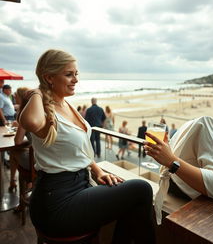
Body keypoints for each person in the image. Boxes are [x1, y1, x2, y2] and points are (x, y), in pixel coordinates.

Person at [19, 49, 155, 243]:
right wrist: (37, 91)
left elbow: (77, 150)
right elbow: (30, 122)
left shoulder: (67, 105)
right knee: (141, 189)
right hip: (56, 202)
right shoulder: (45, 112)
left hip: (78, 187)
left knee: (133, 201)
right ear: (49, 77)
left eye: (76, 73)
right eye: (68, 74)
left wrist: (97, 170)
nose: (75, 79)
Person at [144, 116, 213, 225]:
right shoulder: (187, 127)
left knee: (141, 189)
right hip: (174, 203)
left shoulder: (206, 124)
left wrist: (171, 161)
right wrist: (166, 152)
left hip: (201, 217)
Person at [9, 87, 31, 193]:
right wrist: (30, 143)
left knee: (13, 151)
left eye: (16, 94)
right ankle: (27, 185)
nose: (14, 96)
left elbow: (17, 142)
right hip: (51, 157)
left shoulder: (24, 114)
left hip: (38, 162)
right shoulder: (38, 111)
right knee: (22, 150)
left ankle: (14, 181)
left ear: (22, 97)